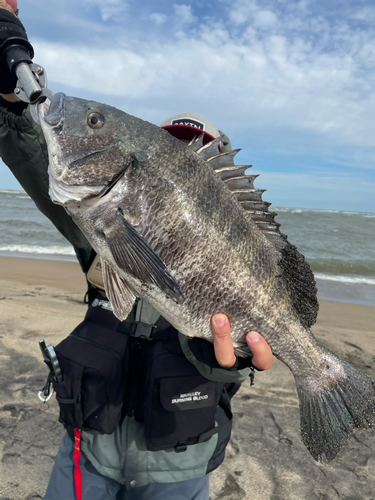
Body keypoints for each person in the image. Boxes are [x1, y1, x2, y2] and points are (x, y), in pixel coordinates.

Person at [0, 2, 273, 499]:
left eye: (198, 156)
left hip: (180, 465)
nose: (181, 164)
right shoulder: (99, 225)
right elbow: (32, 151)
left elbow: (222, 366)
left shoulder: (232, 254)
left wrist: (228, 360)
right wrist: (9, 100)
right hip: (89, 451)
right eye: (169, 152)